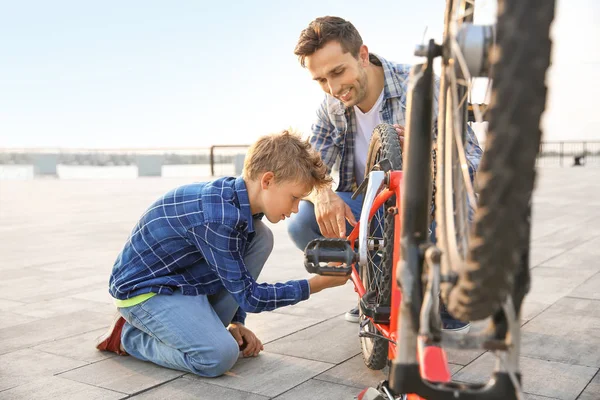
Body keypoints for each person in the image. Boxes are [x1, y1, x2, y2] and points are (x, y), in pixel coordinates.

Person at [96, 130, 350, 377]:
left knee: (260, 236)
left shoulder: (240, 204)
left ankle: (202, 327)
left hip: (184, 282)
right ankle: (128, 336)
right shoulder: (219, 218)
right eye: (294, 197)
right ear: (268, 180)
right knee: (217, 357)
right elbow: (251, 296)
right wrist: (315, 285)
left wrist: (236, 322)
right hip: (146, 292)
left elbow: (236, 274)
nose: (296, 209)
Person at [287, 16, 483, 332]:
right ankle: (376, 290)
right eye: (321, 80)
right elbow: (309, 171)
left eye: (338, 72)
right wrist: (321, 191)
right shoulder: (330, 108)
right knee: (302, 222)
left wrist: (429, 152)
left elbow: (471, 163)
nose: (334, 89)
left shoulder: (423, 88)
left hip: (425, 205)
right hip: (368, 204)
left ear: (362, 55)